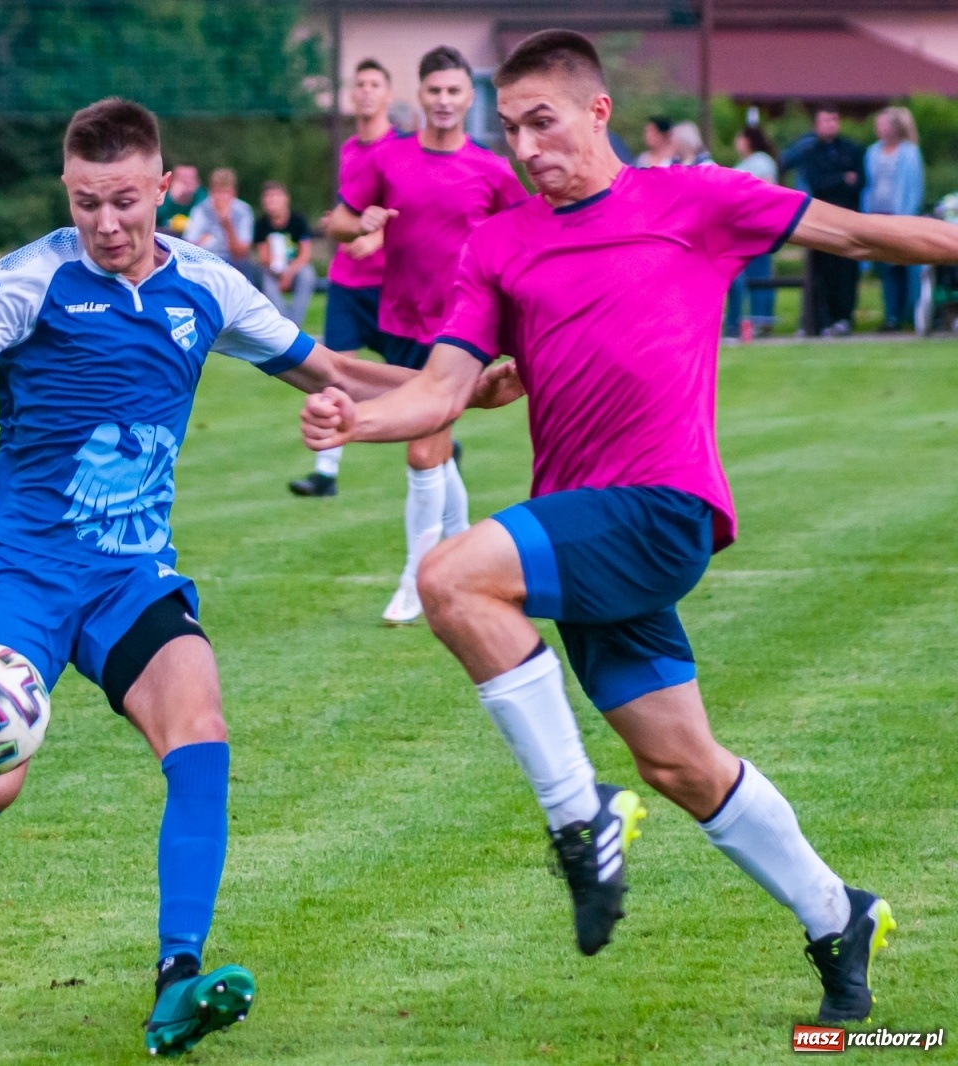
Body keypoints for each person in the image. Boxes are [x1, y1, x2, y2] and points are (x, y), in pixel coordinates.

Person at [302, 28, 958, 1023]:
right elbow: (442, 388)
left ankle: (581, 819)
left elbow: (863, 235)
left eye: (544, 122)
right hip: (584, 527)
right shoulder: (499, 244)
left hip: (660, 507)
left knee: (448, 577)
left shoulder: (696, 199)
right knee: (681, 763)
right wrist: (357, 419)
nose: (527, 148)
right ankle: (839, 915)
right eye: (511, 129)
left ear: (597, 111)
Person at [0, 98, 416, 1057]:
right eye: (87, 202)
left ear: (163, 187)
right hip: (17, 568)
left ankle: (178, 978)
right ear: (68, 191)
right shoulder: (34, 278)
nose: (105, 223)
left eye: (125, 201)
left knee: (200, 727)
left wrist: (456, 388)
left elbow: (324, 365)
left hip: (130, 575)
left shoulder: (207, 285)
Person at [324, 44, 526, 625]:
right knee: (434, 449)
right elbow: (339, 220)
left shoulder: (491, 169)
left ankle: (418, 578)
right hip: (399, 322)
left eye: (454, 91)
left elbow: (524, 233)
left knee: (421, 448)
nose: (444, 100)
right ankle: (462, 544)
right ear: (421, 94)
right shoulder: (388, 159)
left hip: (462, 330)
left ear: (469, 97)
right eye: (435, 90)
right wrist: (358, 223)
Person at [290, 57, 401, 498]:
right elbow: (347, 212)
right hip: (346, 283)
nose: (366, 91)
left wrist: (378, 239)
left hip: (391, 286)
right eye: (360, 84)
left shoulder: (402, 149)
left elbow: (414, 213)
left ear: (388, 94)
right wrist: (340, 226)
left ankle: (440, 443)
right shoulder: (350, 150)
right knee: (334, 374)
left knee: (410, 379)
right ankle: (326, 473)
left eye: (375, 84)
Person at [786, 106, 865, 335]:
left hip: (848, 217)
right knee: (823, 271)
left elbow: (860, 182)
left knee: (847, 270)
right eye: (826, 120)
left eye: (834, 120)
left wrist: (836, 180)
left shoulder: (851, 149)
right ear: (816, 125)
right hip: (823, 220)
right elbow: (817, 183)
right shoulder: (810, 152)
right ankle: (822, 318)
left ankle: (844, 317)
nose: (831, 125)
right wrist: (842, 178)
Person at [863, 106, 925, 330]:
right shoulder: (872, 152)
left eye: (883, 124)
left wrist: (907, 218)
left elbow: (914, 188)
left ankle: (911, 313)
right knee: (886, 268)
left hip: (900, 217)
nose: (879, 128)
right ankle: (892, 316)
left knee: (906, 266)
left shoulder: (909, 153)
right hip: (878, 215)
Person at [724, 126, 780, 338]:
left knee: (760, 273)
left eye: (739, 138)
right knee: (747, 274)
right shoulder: (745, 163)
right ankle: (749, 320)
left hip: (759, 225)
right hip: (743, 228)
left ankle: (762, 319)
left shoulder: (761, 162)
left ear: (748, 140)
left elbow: (768, 190)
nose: (736, 143)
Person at [254, 181, 316, 326]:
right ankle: (285, 323)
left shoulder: (298, 221)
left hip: (295, 269)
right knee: (265, 281)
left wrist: (289, 273)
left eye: (275, 196)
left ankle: (294, 324)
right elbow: (263, 256)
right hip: (272, 270)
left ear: (285, 198)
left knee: (307, 274)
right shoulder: (261, 225)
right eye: (268, 197)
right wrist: (279, 272)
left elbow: (305, 253)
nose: (272, 200)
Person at [183, 167, 256, 278]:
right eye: (218, 192)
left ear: (234, 192)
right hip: (205, 261)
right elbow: (188, 247)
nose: (222, 197)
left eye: (226, 192)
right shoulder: (201, 210)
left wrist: (227, 224)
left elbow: (241, 253)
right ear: (211, 192)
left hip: (234, 264)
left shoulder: (243, 211)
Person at [157, 164, 201, 236]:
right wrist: (172, 199)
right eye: (182, 179)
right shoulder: (162, 197)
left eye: (191, 179)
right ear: (171, 181)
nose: (187, 183)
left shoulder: (201, 198)